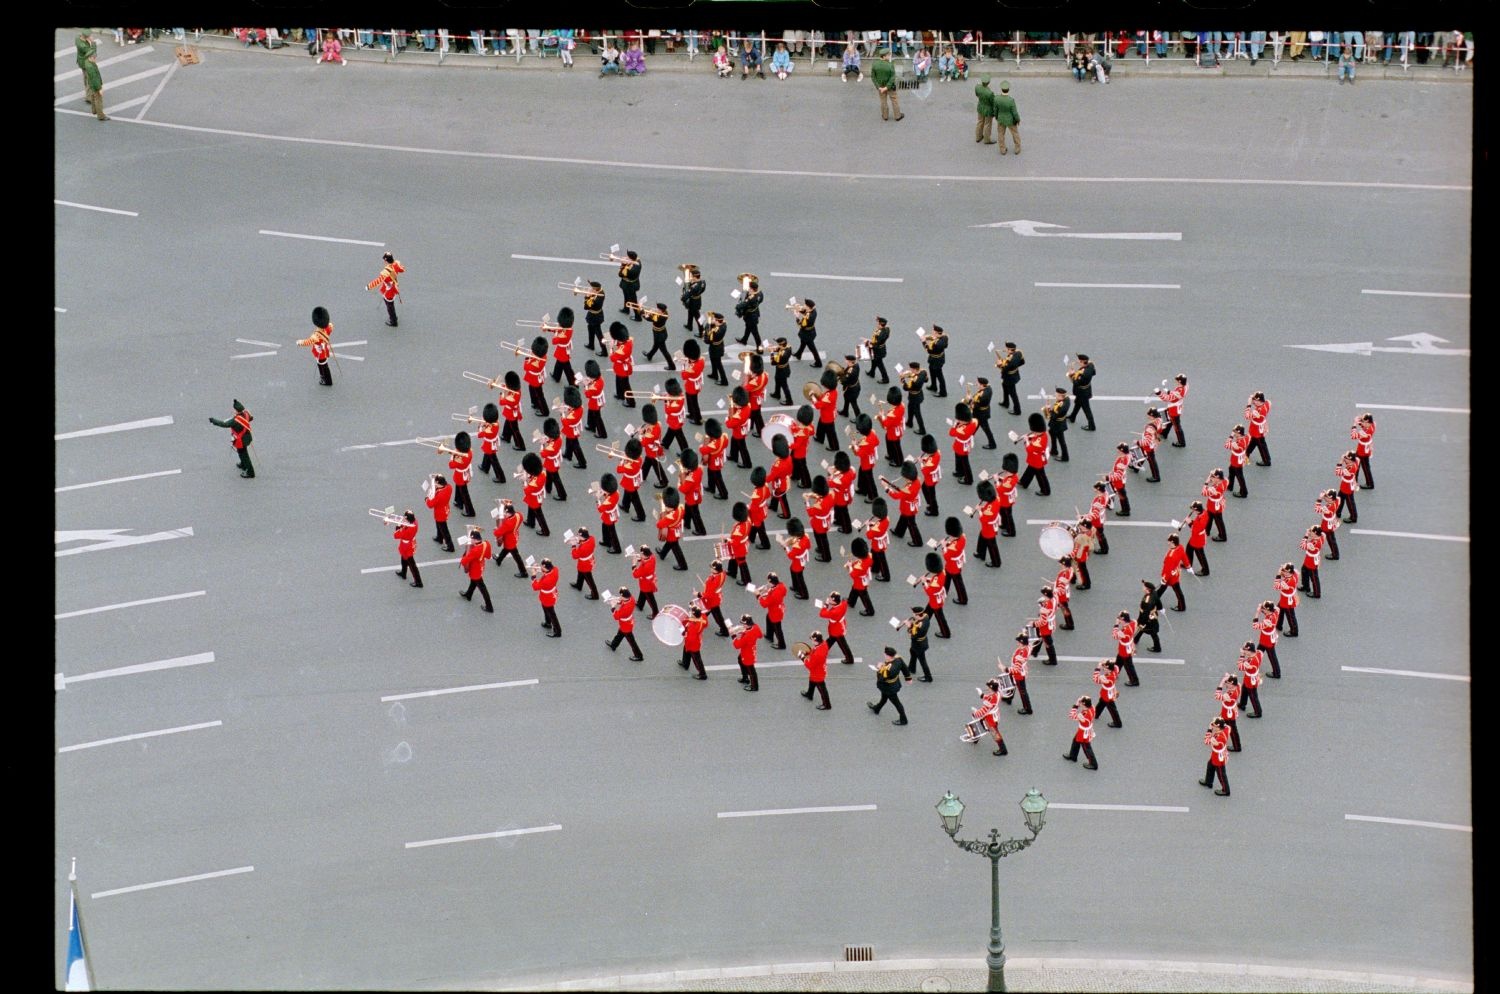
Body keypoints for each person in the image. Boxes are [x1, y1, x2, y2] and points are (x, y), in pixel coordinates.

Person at [208, 399, 255, 477]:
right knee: (241, 453)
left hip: (241, 440)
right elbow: (251, 418)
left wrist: (214, 421)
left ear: (237, 410)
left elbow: (224, 424)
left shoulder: (236, 420)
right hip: (247, 437)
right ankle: (243, 464)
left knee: (244, 455)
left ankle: (250, 472)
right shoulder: (246, 414)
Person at [458, 526, 494, 613]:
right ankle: (468, 594)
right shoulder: (486, 543)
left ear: (474, 539)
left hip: (475, 569)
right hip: (481, 566)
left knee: (482, 588)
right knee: (473, 582)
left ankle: (489, 607)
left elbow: (464, 561)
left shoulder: (475, 550)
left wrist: (466, 549)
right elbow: (488, 556)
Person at [868, 647, 909, 724]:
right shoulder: (898, 659)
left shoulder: (888, 669)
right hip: (892, 684)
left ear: (888, 656)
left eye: (885, 654)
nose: (884, 655)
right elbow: (904, 667)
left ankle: (903, 719)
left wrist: (879, 668)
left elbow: (881, 678)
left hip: (889, 688)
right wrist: (908, 678)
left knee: (897, 703)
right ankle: (877, 708)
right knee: (884, 698)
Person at [605, 587, 645, 660]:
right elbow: (623, 601)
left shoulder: (626, 608)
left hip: (626, 625)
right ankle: (614, 645)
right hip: (626, 623)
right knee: (620, 634)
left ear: (623, 596)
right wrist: (617, 600)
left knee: (632, 642)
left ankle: (639, 656)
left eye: (621, 596)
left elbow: (616, 616)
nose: (620, 597)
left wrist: (613, 607)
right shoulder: (631, 599)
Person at [366, 252, 404, 327]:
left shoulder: (386, 271)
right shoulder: (396, 264)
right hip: (393, 286)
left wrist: (369, 286)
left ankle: (393, 321)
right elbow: (402, 269)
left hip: (388, 290)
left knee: (389, 306)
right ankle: (394, 318)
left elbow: (378, 281)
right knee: (390, 304)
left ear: (386, 261)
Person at [972, 680, 1009, 756]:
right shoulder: (997, 694)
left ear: (991, 688)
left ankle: (1003, 749)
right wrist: (982, 695)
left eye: (988, 687)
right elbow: (989, 697)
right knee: (981, 724)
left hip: (990, 719)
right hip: (994, 715)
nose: (987, 688)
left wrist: (975, 714)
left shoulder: (991, 699)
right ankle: (976, 737)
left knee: (994, 733)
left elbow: (984, 710)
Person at [1019, 412, 1051, 496]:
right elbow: (1034, 437)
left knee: (1040, 476)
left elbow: (1030, 449)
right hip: (1034, 459)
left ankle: (1045, 490)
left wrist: (1026, 441)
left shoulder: (1040, 439)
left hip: (1037, 460)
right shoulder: (1041, 434)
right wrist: (1028, 437)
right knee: (1029, 470)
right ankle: (1024, 482)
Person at [1063, 696, 1098, 769]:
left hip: (1083, 733)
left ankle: (1093, 764)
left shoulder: (1083, 715)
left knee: (1086, 748)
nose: (1079, 702)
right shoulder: (1092, 708)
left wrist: (1076, 705)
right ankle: (1073, 756)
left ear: (1084, 703)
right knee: (1075, 741)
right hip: (1085, 729)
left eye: (1081, 702)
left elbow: (1071, 716)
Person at [799, 633, 832, 709]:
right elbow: (814, 651)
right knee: (812, 680)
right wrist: (808, 653)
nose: (811, 641)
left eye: (812, 640)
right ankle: (809, 694)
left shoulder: (818, 654)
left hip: (817, 672)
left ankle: (827, 704)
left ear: (815, 641)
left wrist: (802, 657)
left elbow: (810, 665)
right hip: (819, 669)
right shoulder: (823, 644)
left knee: (822, 688)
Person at [1158, 533, 1190, 611]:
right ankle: (1155, 599)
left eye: (1168, 541)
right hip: (1175, 572)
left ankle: (1181, 606)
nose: (1167, 542)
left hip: (1170, 576)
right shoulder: (1180, 547)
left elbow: (1168, 570)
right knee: (1163, 588)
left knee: (1177, 591)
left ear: (1172, 542)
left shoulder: (1170, 556)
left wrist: (1164, 579)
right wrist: (1188, 566)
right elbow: (1184, 557)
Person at [871, 49, 904, 122]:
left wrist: (878, 87)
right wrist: (887, 87)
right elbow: (892, 77)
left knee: (883, 101)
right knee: (894, 100)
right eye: (888, 55)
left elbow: (873, 77)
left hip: (880, 87)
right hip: (890, 87)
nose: (889, 56)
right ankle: (897, 116)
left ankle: (885, 116)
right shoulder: (890, 65)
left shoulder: (875, 64)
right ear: (884, 56)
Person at [531, 558, 562, 637]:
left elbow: (535, 587)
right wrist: (540, 569)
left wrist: (533, 575)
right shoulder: (555, 570)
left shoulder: (546, 580)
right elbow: (547, 571)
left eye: (542, 567)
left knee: (552, 614)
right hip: (551, 593)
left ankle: (557, 631)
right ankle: (548, 622)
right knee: (546, 610)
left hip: (547, 598)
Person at [1200, 718, 1231, 795]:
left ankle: (1226, 790)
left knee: (1221, 774)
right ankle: (1208, 781)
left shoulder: (1219, 738)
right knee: (1210, 765)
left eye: (1214, 726)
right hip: (1215, 755)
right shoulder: (1225, 730)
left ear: (1218, 727)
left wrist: (1209, 729)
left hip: (1218, 758)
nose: (1213, 727)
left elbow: (1207, 740)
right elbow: (1228, 727)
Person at [732, 614, 763, 691]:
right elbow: (760, 635)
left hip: (747, 652)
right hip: (751, 649)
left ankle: (754, 686)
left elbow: (737, 645)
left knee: (751, 670)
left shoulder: (748, 635)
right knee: (740, 660)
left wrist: (734, 636)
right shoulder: (755, 627)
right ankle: (745, 677)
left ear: (746, 624)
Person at [568, 526, 600, 599]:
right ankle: (579, 585)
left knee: (589, 581)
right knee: (580, 573)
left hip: (585, 565)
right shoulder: (591, 538)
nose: (578, 536)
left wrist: (573, 545)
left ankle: (595, 595)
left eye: (579, 536)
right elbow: (583, 541)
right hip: (588, 560)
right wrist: (578, 541)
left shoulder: (583, 548)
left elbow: (574, 556)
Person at [426, 474, 454, 552]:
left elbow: (430, 505)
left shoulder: (440, 495)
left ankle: (450, 546)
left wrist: (427, 499)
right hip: (445, 509)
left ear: (438, 483)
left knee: (444, 530)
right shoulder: (448, 487)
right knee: (439, 526)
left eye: (435, 483)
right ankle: (439, 537)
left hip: (440, 513)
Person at [679, 605, 710, 678]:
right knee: (686, 652)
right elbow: (704, 619)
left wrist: (683, 632)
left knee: (697, 659)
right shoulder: (702, 618)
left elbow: (689, 635)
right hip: (694, 641)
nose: (690, 614)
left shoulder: (694, 626)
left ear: (695, 616)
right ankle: (685, 663)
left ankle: (702, 674)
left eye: (692, 613)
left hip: (692, 644)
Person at [1134, 579, 1163, 653]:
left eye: (1144, 587)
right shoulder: (1154, 593)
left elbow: (1146, 613)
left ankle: (1157, 648)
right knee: (1143, 629)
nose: (1142, 588)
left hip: (1148, 618)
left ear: (1147, 589)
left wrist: (1142, 623)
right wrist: (1160, 608)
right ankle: (1136, 639)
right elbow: (1158, 601)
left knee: (1152, 632)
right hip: (1151, 615)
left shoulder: (1148, 601)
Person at [1067, 354, 1096, 430]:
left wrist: (1071, 375)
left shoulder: (1084, 374)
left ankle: (1092, 426)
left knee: (1087, 410)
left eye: (1079, 361)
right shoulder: (1090, 366)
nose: (1078, 362)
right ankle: (1072, 417)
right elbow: (1094, 372)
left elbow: (1076, 382)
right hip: (1085, 391)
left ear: (1083, 361)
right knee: (1077, 404)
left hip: (1082, 393)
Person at [1093, 660, 1122, 728]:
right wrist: (1107, 663)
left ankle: (1117, 723)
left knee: (1112, 709)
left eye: (1105, 668)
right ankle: (1096, 714)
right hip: (1107, 693)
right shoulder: (1114, 672)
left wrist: (1098, 668)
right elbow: (1116, 667)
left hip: (1107, 695)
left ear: (1109, 670)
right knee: (1101, 703)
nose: (1104, 669)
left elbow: (1095, 679)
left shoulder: (1107, 678)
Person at [993, 80, 1020, 154]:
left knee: (1001, 134)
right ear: (1008, 89)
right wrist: (1018, 119)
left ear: (1001, 89)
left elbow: (995, 109)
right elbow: (1014, 112)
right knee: (1015, 133)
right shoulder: (1011, 100)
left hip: (1001, 118)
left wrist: (996, 116)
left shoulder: (996, 99)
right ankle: (1017, 147)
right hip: (1010, 120)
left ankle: (1002, 149)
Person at [996, 342, 1024, 415]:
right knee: (1004, 387)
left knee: (1013, 394)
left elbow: (1005, 368)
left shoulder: (1011, 359)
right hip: (1013, 375)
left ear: (1010, 350)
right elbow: (1022, 362)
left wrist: (1000, 365)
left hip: (1010, 378)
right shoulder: (1019, 352)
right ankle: (1006, 402)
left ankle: (1017, 410)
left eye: (1006, 349)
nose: (1005, 350)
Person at [1246, 392, 1272, 467]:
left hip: (1257, 430)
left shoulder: (1257, 412)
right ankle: (1247, 452)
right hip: (1260, 428)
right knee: (1253, 441)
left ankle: (1266, 461)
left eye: (1254, 400)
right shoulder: (1266, 404)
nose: (1253, 402)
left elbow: (1247, 416)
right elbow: (1269, 401)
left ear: (1258, 401)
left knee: (1261, 445)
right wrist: (1255, 396)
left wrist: (1249, 404)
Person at [1335, 450, 1360, 523]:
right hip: (1345, 486)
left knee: (1350, 503)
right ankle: (1338, 512)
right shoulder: (1354, 463)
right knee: (1340, 499)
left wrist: (1340, 461)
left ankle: (1353, 517)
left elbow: (1337, 472)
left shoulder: (1350, 469)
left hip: (1347, 488)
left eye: (1346, 458)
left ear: (1350, 459)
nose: (1344, 458)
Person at [82, 51, 108, 121]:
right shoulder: (90, 67)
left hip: (91, 84)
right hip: (95, 85)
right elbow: (94, 78)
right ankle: (101, 116)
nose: (95, 59)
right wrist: (99, 88)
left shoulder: (87, 62)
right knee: (98, 100)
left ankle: (94, 110)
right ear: (90, 57)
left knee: (93, 97)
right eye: (94, 58)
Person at [1046, 387, 1070, 462]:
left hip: (1058, 425)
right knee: (1052, 433)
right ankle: (1054, 450)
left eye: (1056, 395)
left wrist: (1048, 409)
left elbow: (1053, 416)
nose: (1055, 395)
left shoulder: (1060, 407)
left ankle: (1065, 457)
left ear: (1060, 396)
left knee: (1062, 441)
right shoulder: (1066, 399)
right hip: (1058, 423)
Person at [1351, 412, 1375, 488]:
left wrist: (1354, 424)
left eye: (1364, 421)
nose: (1362, 422)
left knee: (1365, 468)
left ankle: (1369, 484)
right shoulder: (1372, 426)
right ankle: (1355, 479)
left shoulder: (1365, 432)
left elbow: (1353, 436)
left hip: (1362, 452)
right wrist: (1360, 422)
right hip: (1365, 449)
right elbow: (1364, 426)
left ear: (1368, 422)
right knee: (1359, 465)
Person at [1299, 526, 1324, 599]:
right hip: (1308, 560)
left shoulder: (1315, 543)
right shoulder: (1320, 537)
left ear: (1315, 533)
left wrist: (1306, 535)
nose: (1310, 532)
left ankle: (1317, 593)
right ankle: (1306, 586)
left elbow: (1302, 545)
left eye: (1312, 531)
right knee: (1304, 572)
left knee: (1314, 578)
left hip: (1312, 562)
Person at [924, 325, 949, 396]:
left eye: (934, 332)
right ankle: (933, 386)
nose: (932, 332)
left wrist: (924, 341)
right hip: (935, 358)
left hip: (937, 360)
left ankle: (943, 392)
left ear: (937, 333)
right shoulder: (944, 337)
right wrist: (926, 337)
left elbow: (928, 350)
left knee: (939, 376)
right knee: (931, 369)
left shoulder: (938, 344)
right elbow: (933, 337)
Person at [617, 250, 642, 318]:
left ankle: (638, 316)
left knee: (633, 301)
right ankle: (626, 309)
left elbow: (620, 274)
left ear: (631, 259)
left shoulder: (632, 269)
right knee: (626, 296)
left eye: (628, 257)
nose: (626, 257)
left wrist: (623, 264)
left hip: (630, 285)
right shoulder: (637, 261)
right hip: (628, 283)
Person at [867, 316, 892, 384]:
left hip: (878, 350)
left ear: (880, 325)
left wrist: (868, 344)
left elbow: (876, 344)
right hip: (880, 348)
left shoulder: (881, 335)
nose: (877, 324)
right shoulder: (886, 328)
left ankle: (885, 379)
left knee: (880, 365)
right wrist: (879, 318)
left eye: (878, 323)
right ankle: (872, 372)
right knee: (873, 360)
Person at [974, 74, 997, 143]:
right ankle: (987, 139)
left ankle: (978, 137)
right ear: (988, 83)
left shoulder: (977, 87)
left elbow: (977, 95)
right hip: (988, 110)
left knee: (980, 122)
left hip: (980, 107)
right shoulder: (990, 93)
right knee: (987, 124)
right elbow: (993, 102)